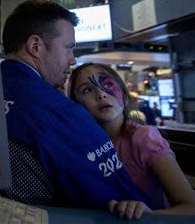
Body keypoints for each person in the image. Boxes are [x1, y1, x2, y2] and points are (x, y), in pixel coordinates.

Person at [0, 0, 150, 218]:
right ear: (35, 46)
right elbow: (127, 202)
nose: (72, 60)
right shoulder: (61, 112)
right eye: (69, 48)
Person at [67, 62, 195, 216]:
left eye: (107, 83)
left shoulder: (144, 138)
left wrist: (149, 215)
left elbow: (190, 207)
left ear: (124, 94)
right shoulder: (80, 149)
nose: (100, 93)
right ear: (75, 106)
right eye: (87, 89)